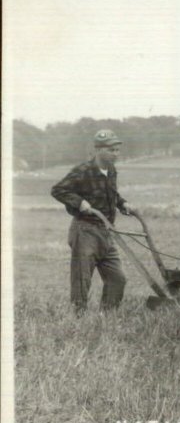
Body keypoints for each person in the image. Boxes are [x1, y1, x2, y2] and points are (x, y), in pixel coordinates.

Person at [51, 129, 136, 314]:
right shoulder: (83, 171)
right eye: (112, 150)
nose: (116, 154)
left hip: (106, 232)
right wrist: (79, 202)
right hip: (85, 231)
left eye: (117, 150)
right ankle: (78, 320)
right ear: (98, 150)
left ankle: (107, 317)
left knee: (117, 279)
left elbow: (112, 194)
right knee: (82, 280)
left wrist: (122, 203)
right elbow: (58, 190)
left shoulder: (111, 171)